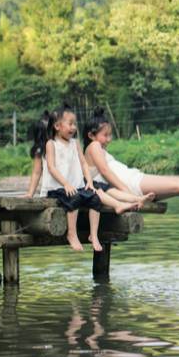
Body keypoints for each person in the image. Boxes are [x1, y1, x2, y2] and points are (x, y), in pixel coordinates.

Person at [42, 105, 140, 252]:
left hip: (76, 186)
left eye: (75, 124)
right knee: (74, 198)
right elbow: (51, 168)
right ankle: (72, 234)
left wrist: (88, 182)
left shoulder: (75, 143)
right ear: (57, 126)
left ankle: (93, 236)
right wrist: (66, 184)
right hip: (57, 188)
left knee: (95, 198)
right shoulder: (51, 144)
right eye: (70, 124)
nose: (73, 127)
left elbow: (83, 164)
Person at [82, 109, 155, 206]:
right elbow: (104, 170)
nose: (109, 139)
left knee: (110, 190)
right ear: (91, 135)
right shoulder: (95, 145)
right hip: (92, 186)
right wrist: (125, 189)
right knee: (109, 191)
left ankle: (136, 199)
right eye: (105, 135)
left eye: (110, 135)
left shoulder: (93, 148)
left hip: (99, 186)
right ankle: (134, 199)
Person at [23, 110, 50, 198]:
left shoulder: (64, 145)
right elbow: (36, 172)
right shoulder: (40, 150)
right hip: (49, 191)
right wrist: (30, 193)